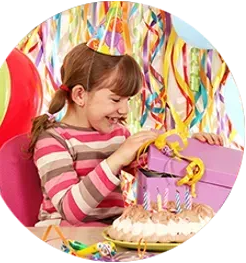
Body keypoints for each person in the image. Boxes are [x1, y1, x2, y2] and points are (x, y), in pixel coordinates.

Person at [27, 42, 223, 227]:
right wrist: (118, 157)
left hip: (108, 234)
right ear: (80, 95)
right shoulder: (52, 140)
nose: (125, 110)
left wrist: (190, 147)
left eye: (128, 100)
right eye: (116, 99)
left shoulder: (118, 134)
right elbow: (70, 210)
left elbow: (158, 169)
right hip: (62, 234)